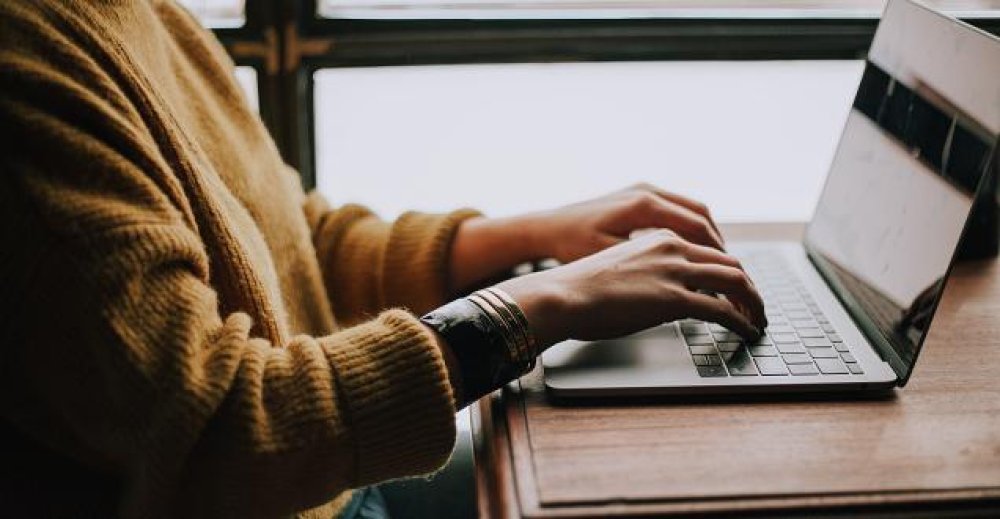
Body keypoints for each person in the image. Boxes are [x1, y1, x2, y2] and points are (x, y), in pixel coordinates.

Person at [0, 1, 766, 517]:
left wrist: (528, 236)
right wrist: (538, 305)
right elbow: (220, 432)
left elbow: (287, 240)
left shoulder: (133, 12)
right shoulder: (27, 73)